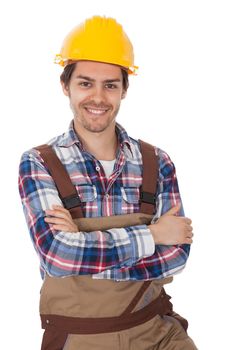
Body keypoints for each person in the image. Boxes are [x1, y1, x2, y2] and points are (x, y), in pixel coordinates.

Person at [18, 15, 197, 350]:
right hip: (80, 338)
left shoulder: (157, 161)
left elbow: (178, 255)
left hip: (156, 333)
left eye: (110, 85)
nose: (98, 97)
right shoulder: (39, 162)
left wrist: (84, 247)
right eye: (86, 83)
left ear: (124, 90)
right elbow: (58, 255)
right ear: (65, 86)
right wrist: (153, 235)